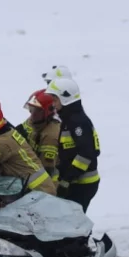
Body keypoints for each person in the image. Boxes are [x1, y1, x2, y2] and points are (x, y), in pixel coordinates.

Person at [44, 77, 100, 212]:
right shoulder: (68, 120)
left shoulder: (78, 122)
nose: (53, 104)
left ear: (65, 98)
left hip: (83, 184)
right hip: (74, 182)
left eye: (55, 99)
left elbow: (86, 154)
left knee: (73, 223)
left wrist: (67, 180)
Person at [17, 89, 62, 185]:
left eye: (37, 111)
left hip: (45, 183)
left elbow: (46, 169)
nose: (32, 114)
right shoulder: (36, 120)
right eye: (31, 109)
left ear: (47, 112)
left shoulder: (50, 135)